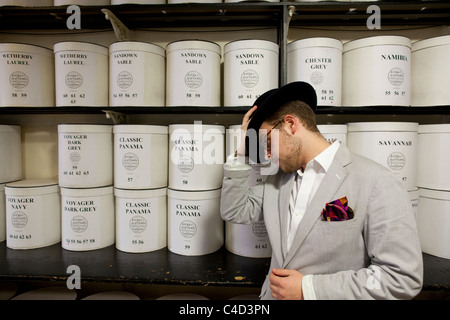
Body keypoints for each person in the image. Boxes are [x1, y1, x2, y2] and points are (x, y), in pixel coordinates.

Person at [220, 81, 423, 300]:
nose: (266, 156)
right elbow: (235, 211)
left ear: (290, 124)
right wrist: (242, 151)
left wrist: (308, 289)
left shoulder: (377, 181)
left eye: (268, 143)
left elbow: (401, 278)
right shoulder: (276, 181)